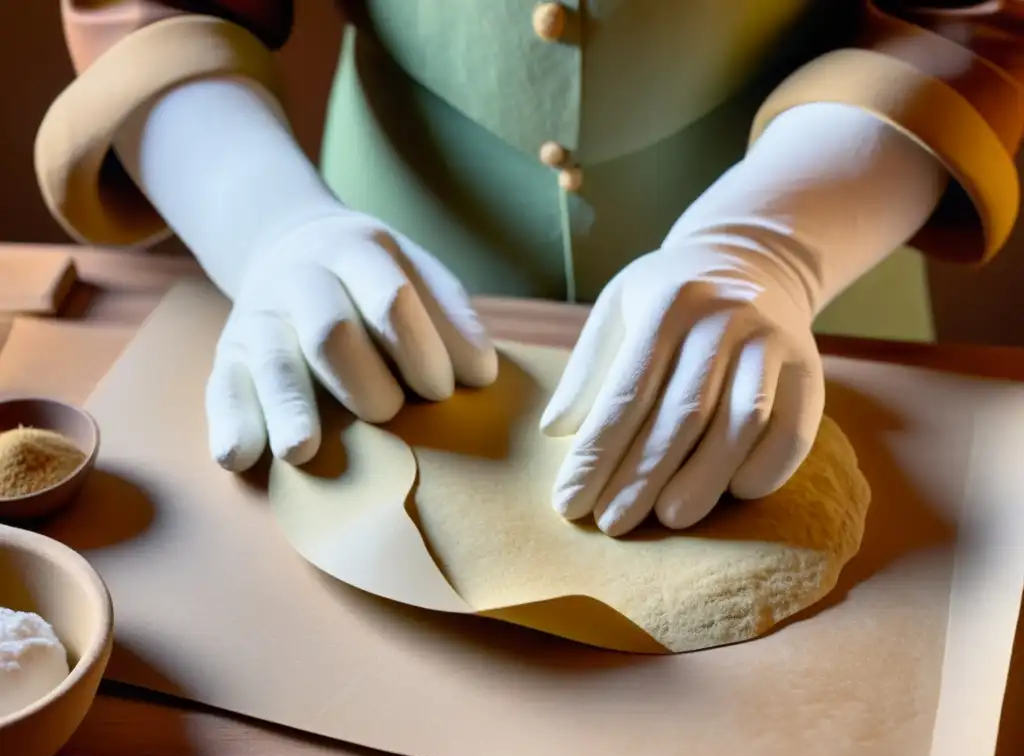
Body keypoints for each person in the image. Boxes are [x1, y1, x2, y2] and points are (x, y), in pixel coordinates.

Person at [36, 1, 1024, 536]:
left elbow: (962, 13)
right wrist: (263, 224)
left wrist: (768, 246)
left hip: (813, 268)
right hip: (382, 278)